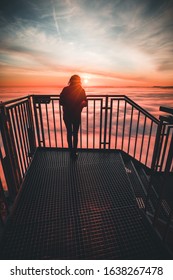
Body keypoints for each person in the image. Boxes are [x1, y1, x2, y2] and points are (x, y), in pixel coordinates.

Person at [60, 75, 87, 158]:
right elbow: (85, 103)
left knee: (69, 133)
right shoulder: (81, 90)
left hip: (67, 115)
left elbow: (61, 102)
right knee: (75, 134)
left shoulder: (65, 89)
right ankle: (74, 152)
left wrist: (68, 105)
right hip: (76, 115)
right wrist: (80, 106)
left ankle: (71, 151)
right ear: (79, 81)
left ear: (70, 81)